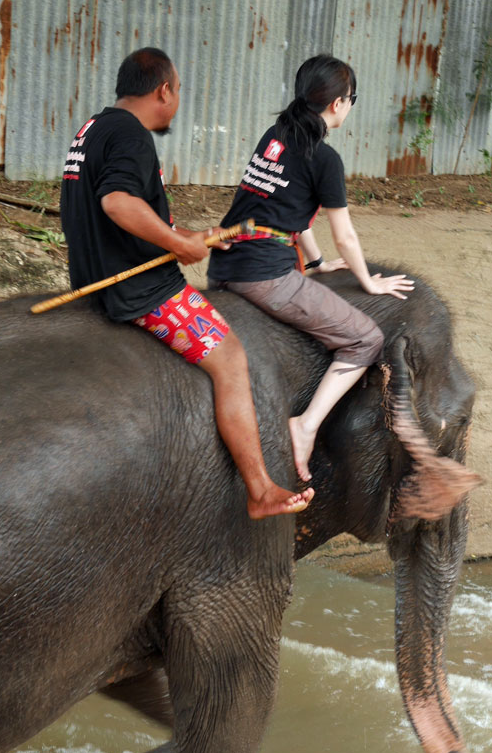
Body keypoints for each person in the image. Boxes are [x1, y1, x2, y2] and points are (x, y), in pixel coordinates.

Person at [59, 47, 312, 519]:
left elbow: (112, 211)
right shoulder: (131, 135)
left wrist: (188, 237)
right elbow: (117, 203)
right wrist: (176, 249)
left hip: (93, 273)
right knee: (232, 358)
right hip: (140, 290)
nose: (177, 102)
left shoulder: (93, 128)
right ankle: (259, 490)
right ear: (164, 90)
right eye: (178, 93)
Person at [207, 54, 414, 483]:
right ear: (338, 103)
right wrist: (367, 282)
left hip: (224, 263)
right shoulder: (325, 158)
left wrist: (317, 263)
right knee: (365, 338)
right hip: (263, 275)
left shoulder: (276, 135)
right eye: (351, 98)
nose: (350, 106)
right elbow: (347, 235)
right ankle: (305, 426)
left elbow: (288, 209)